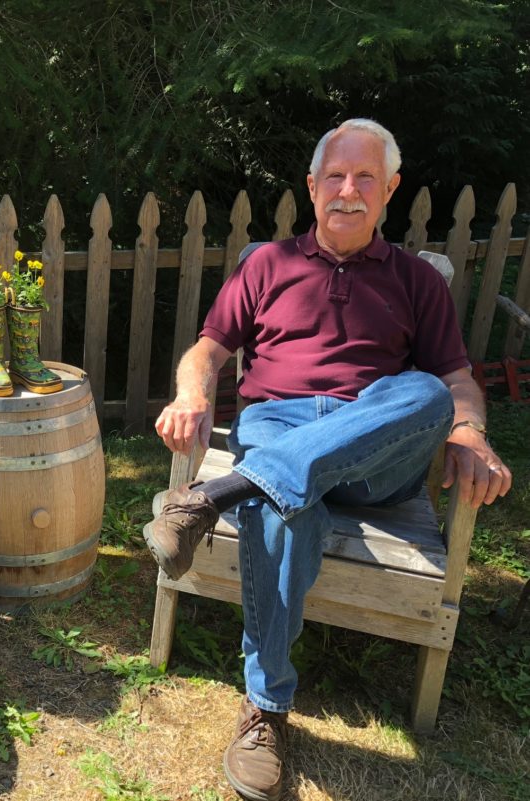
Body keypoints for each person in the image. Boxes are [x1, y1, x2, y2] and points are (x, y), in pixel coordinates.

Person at [147, 119, 512, 801]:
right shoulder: (267, 265)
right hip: (276, 422)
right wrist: (191, 390)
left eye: (365, 177)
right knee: (283, 511)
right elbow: (209, 348)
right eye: (335, 177)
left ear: (390, 190)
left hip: (372, 449)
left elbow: (456, 382)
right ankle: (266, 710)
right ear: (312, 188)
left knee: (425, 392)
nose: (349, 190)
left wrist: (469, 430)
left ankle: (216, 494)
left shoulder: (416, 281)